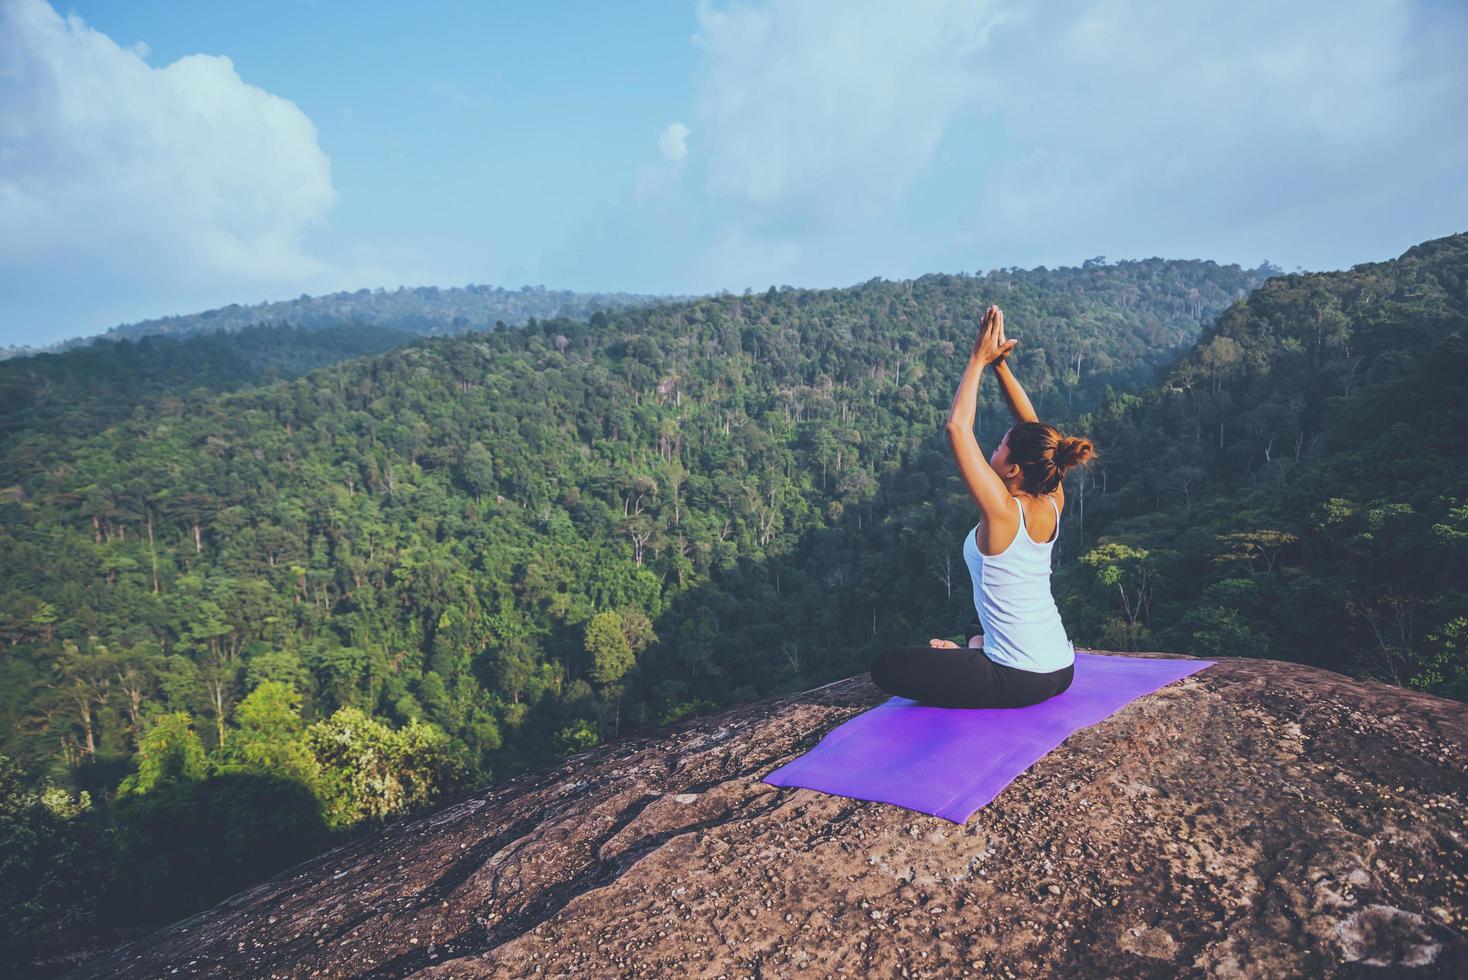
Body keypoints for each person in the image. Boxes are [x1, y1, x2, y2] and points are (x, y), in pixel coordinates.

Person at [869, 305, 1097, 708]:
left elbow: (957, 428)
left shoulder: (1003, 512)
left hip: (1019, 679)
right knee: (978, 630)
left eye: (998, 447)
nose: (991, 450)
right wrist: (1001, 367)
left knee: (885, 667)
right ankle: (974, 648)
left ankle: (970, 654)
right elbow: (1037, 432)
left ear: (1011, 468)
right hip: (1062, 667)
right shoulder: (1052, 497)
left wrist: (977, 359)